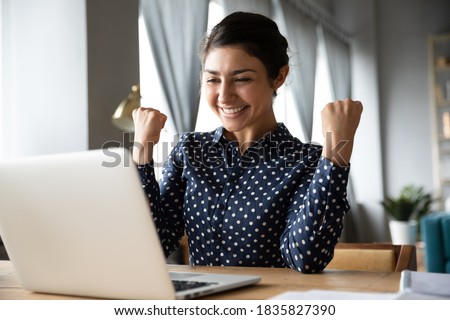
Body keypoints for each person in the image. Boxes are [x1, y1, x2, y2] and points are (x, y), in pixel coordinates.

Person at [132, 11, 362, 273]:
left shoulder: (308, 162)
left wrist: (337, 152)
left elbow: (305, 259)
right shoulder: (189, 150)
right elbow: (153, 245)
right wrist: (142, 152)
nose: (225, 95)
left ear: (278, 77)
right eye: (213, 79)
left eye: (241, 79)